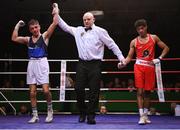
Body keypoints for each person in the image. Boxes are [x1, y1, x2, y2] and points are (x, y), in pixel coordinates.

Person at [52, 4, 125, 124]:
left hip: (95, 64)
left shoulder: (101, 32)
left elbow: (112, 45)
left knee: (94, 91)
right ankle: (82, 112)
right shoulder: (78, 30)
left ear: (93, 20)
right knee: (78, 88)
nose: (86, 21)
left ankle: (91, 116)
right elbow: (64, 26)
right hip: (81, 64)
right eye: (84, 19)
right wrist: (57, 13)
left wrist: (121, 58)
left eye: (88, 19)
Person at [119, 19, 169, 125]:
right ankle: (141, 116)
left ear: (146, 27)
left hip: (150, 67)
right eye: (138, 29)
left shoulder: (154, 38)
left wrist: (159, 58)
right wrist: (123, 63)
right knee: (139, 92)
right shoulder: (134, 41)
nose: (140, 31)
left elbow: (166, 48)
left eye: (142, 28)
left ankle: (146, 115)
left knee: (147, 92)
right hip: (139, 67)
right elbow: (129, 57)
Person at [11, 13, 58, 123]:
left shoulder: (45, 36)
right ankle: (35, 115)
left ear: (39, 27)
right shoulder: (28, 40)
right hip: (31, 63)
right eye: (32, 28)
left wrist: (56, 10)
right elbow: (14, 38)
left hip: (42, 63)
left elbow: (55, 22)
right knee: (32, 92)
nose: (35, 29)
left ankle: (50, 111)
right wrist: (17, 26)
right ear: (30, 30)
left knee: (46, 91)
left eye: (36, 27)